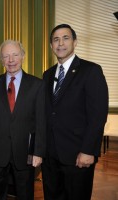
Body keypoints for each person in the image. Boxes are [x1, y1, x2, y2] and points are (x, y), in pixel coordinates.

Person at [42, 24, 109, 200]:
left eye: (66, 38)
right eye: (56, 39)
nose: (60, 43)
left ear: (75, 42)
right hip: (50, 156)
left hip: (78, 154)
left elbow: (98, 116)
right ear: (51, 46)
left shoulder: (91, 70)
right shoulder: (47, 75)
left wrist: (89, 151)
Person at [0, 40, 46, 200]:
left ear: (22, 56)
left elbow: (41, 121)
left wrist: (38, 152)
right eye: (6, 56)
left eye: (15, 55)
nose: (11, 60)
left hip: (25, 152)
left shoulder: (37, 85)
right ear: (1, 60)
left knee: (25, 194)